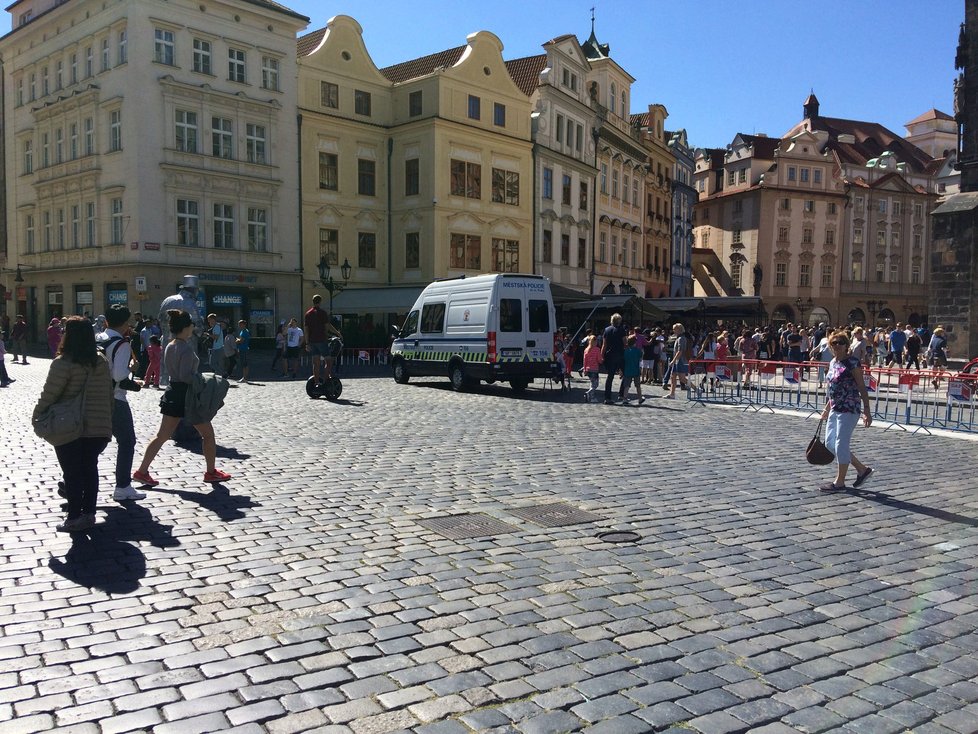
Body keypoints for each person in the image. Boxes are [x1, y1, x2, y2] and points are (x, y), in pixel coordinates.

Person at [133, 310, 232, 487]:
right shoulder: (185, 348)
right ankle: (211, 472)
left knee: (161, 436)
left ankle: (142, 471)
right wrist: (204, 379)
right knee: (208, 435)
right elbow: (187, 376)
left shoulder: (169, 345)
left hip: (173, 393)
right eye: (191, 325)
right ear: (186, 327)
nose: (193, 328)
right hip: (187, 395)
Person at [33, 317, 113, 532]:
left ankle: (74, 516)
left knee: (72, 472)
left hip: (68, 425)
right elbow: (108, 394)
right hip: (97, 426)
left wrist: (38, 415)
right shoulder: (101, 361)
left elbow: (50, 394)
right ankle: (89, 513)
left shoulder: (63, 363)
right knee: (89, 469)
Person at [95, 305, 146, 502]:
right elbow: (119, 376)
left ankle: (73, 480)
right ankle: (123, 486)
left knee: (97, 442)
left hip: (96, 397)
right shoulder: (122, 344)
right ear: (125, 323)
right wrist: (132, 371)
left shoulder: (99, 338)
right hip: (115, 399)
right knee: (127, 442)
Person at [819, 330, 873, 491]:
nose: (837, 346)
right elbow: (832, 388)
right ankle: (862, 469)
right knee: (830, 444)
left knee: (841, 443)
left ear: (846, 345)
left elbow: (862, 387)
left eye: (840, 343)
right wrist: (827, 408)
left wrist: (867, 411)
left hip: (850, 407)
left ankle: (840, 481)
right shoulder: (833, 362)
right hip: (835, 407)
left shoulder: (853, 362)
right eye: (834, 343)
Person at [158, 275, 203, 386]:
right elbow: (198, 328)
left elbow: (160, 321)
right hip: (186, 344)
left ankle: (165, 380)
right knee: (185, 372)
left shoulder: (167, 300)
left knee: (169, 371)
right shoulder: (190, 303)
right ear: (194, 290)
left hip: (168, 344)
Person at [304, 294, 342, 384]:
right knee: (328, 361)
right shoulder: (322, 313)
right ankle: (325, 382)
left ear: (313, 302)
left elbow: (306, 330)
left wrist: (307, 343)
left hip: (312, 341)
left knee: (315, 363)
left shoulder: (308, 314)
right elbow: (328, 326)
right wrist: (337, 333)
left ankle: (316, 383)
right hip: (321, 340)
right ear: (320, 302)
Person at [600, 313, 627, 405]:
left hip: (610, 355)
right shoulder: (622, 330)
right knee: (626, 374)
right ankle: (621, 394)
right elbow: (625, 343)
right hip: (620, 354)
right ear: (619, 321)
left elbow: (604, 345)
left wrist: (601, 355)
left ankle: (607, 397)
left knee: (610, 377)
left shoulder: (607, 330)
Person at [667, 322, 689, 399]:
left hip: (680, 361)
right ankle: (672, 393)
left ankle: (696, 389)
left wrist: (673, 361)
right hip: (677, 360)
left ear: (679, 329)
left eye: (674, 329)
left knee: (682, 378)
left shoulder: (681, 338)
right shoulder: (678, 338)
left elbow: (680, 351)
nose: (673, 331)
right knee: (672, 377)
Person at [621, 334, 645, 405]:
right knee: (638, 385)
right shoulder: (638, 351)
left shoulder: (626, 351)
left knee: (627, 386)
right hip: (636, 370)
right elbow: (641, 358)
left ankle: (625, 399)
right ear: (635, 343)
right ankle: (640, 398)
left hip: (627, 370)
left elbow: (624, 360)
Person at [582, 335, 603, 403]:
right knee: (595, 384)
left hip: (588, 369)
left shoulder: (586, 349)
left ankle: (592, 397)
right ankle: (589, 393)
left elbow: (584, 360)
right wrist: (602, 360)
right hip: (594, 369)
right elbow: (599, 360)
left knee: (592, 383)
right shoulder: (597, 349)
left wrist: (584, 369)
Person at [206, 314, 225, 378]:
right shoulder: (215, 326)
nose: (208, 321)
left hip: (218, 347)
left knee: (213, 363)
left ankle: (222, 374)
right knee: (216, 363)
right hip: (216, 347)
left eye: (209, 320)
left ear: (213, 319)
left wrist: (208, 335)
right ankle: (219, 375)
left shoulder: (217, 327)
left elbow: (216, 337)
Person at [235, 319, 251, 383]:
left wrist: (237, 341)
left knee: (244, 364)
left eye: (240, 324)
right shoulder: (243, 331)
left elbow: (242, 341)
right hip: (242, 349)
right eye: (239, 324)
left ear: (244, 325)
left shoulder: (244, 332)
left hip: (244, 349)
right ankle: (244, 377)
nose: (239, 326)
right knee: (244, 364)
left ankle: (245, 377)